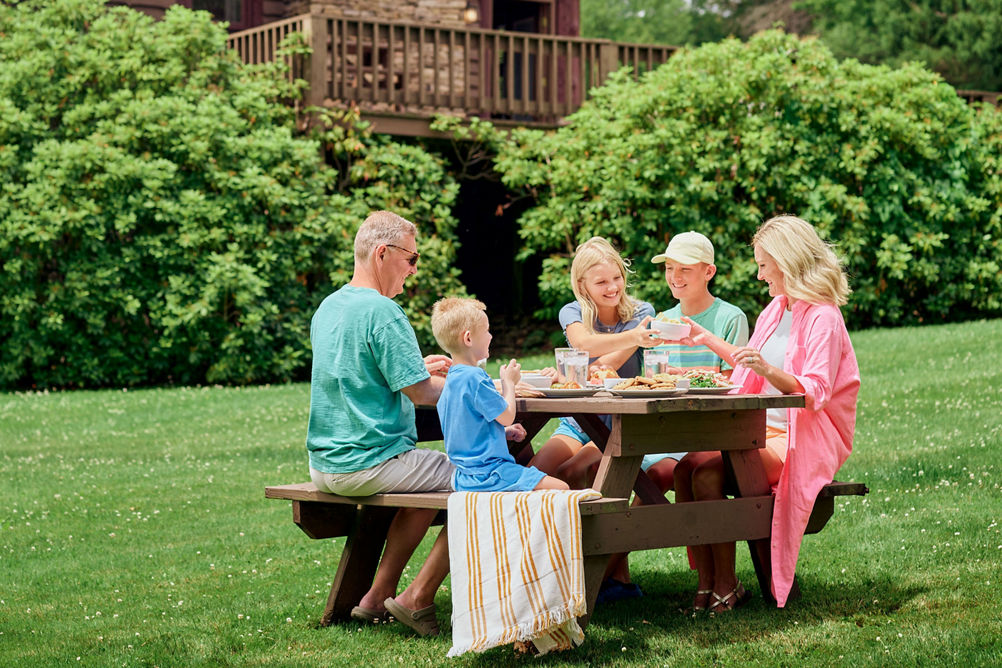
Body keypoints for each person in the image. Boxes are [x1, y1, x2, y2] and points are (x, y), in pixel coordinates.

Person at [673, 215, 860, 613]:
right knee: (684, 468)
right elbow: (747, 366)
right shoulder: (777, 309)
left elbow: (817, 391)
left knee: (706, 472)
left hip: (800, 439)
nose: (760, 276)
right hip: (761, 431)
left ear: (786, 261)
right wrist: (705, 338)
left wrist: (769, 370)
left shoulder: (823, 316)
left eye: (763, 265)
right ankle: (707, 585)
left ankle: (726, 585)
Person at [305, 210, 454, 637]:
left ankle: (375, 597)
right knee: (482, 482)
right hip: (368, 462)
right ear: (383, 253)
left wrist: (413, 367)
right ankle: (417, 598)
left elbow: (357, 371)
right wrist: (476, 386)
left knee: (427, 481)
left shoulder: (329, 307)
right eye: (412, 259)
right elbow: (423, 394)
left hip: (325, 463)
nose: (413, 271)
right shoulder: (384, 312)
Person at [529, 237, 663, 487]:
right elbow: (582, 344)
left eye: (617, 277)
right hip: (578, 421)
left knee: (572, 471)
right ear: (582, 286)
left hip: (620, 423)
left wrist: (570, 374)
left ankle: (584, 525)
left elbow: (606, 366)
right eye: (601, 282)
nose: (612, 287)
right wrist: (635, 337)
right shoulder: (572, 312)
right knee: (532, 473)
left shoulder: (642, 312)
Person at [641, 231, 749, 492]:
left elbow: (734, 384)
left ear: (708, 272)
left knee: (670, 473)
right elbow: (653, 385)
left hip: (711, 431)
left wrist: (684, 379)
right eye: (669, 268)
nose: (674, 277)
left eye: (685, 269)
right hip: (667, 431)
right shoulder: (664, 320)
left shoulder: (730, 318)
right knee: (647, 475)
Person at [431, 297, 569, 492]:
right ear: (468, 338)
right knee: (561, 488)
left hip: (465, 477)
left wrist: (501, 434)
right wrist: (509, 383)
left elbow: (465, 430)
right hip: (491, 474)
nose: (490, 336)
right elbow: (506, 416)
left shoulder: (452, 379)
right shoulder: (476, 377)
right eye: (487, 330)